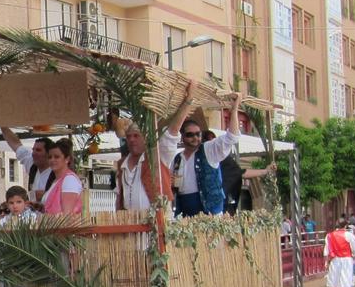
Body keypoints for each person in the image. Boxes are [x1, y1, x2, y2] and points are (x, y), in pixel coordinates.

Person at [160, 81, 241, 217]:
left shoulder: (209, 150)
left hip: (209, 213)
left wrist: (234, 110)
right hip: (185, 212)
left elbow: (231, 137)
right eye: (190, 135)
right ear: (182, 137)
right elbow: (169, 184)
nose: (195, 138)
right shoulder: (177, 159)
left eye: (198, 134)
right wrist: (171, 183)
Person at [200, 130, 275, 215]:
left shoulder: (223, 159)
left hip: (218, 207)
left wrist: (265, 171)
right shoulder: (195, 158)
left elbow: (239, 172)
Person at [114, 122, 176, 211]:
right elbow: (119, 195)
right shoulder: (121, 164)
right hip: (129, 220)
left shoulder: (157, 156)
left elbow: (172, 135)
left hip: (155, 220)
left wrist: (185, 108)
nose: (131, 139)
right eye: (128, 136)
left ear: (145, 138)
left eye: (136, 136)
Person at [0, 129, 55, 207]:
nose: (34, 153)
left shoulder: (57, 172)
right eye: (33, 150)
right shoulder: (32, 164)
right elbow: (16, 144)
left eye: (38, 150)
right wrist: (2, 125)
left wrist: (42, 195)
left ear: (49, 153)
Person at [324, 219, 355, 287]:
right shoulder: (349, 235)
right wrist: (354, 256)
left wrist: (326, 262)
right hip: (347, 259)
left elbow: (326, 250)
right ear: (345, 226)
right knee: (346, 280)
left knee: (334, 281)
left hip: (335, 259)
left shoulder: (329, 236)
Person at [41, 139, 82, 215]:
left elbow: (67, 215)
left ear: (67, 159)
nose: (52, 160)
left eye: (56, 157)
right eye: (50, 157)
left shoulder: (69, 180)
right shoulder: (56, 180)